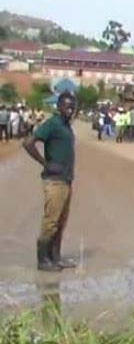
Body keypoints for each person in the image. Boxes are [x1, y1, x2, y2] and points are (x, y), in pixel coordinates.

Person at [23, 91, 78, 272]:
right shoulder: (52, 124)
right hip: (54, 180)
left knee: (61, 221)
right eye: (67, 105)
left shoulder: (66, 126)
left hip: (66, 179)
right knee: (51, 221)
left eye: (72, 106)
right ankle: (43, 259)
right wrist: (45, 163)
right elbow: (29, 143)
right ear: (59, 106)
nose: (70, 109)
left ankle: (55, 257)